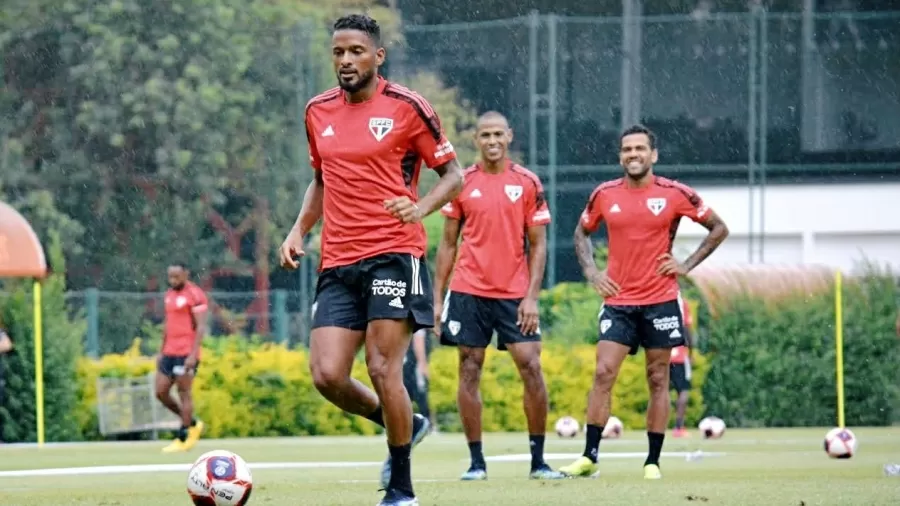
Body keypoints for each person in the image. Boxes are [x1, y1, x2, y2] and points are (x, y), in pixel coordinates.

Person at [277, 14, 463, 506]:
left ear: (377, 56)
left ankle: (401, 488)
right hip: (338, 262)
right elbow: (321, 179)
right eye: (338, 52)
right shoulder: (317, 111)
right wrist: (299, 230)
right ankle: (406, 423)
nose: (345, 60)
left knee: (384, 367)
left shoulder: (408, 107)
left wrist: (420, 207)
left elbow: (454, 176)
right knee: (328, 375)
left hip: (394, 254)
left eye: (356, 51)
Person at [560, 124, 729, 480]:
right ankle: (589, 456)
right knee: (604, 372)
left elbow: (718, 228)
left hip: (661, 300)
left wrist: (685, 265)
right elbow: (581, 233)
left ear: (653, 155)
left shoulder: (674, 193)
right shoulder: (604, 194)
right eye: (627, 150)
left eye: (639, 149)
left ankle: (652, 461)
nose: (632, 155)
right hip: (619, 301)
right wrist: (592, 273)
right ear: (621, 156)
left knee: (658, 379)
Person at [434, 111, 564, 481]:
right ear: (476, 140)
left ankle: (538, 462)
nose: (492, 141)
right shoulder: (461, 182)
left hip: (514, 294)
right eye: (485, 135)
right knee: (469, 368)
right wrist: (437, 298)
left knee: (531, 366)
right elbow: (447, 243)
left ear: (509, 137)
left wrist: (532, 297)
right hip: (468, 291)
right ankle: (476, 462)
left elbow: (538, 247)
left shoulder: (527, 182)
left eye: (498, 135)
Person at [156, 263, 207, 453]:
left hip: (186, 353)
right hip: (169, 352)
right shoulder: (169, 295)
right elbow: (167, 325)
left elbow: (200, 327)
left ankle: (183, 435)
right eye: (170, 277)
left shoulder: (195, 294)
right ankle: (192, 422)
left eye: (177, 276)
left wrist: (193, 354)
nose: (173, 280)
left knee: (184, 392)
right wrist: (161, 351)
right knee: (160, 391)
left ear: (186, 274)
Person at [670, 297, 695, 438]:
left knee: (660, 392)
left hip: (662, 354)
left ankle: (656, 426)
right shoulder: (681, 303)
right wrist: (691, 352)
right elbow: (686, 329)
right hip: (679, 355)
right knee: (683, 391)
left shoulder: (657, 301)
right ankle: (679, 427)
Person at [402, 329, 433, 429]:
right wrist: (422, 364)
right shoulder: (421, 323)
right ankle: (427, 424)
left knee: (407, 395)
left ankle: (402, 424)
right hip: (414, 366)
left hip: (408, 365)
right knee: (420, 395)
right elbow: (418, 341)